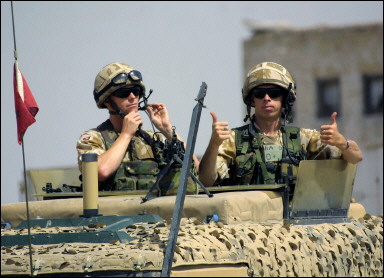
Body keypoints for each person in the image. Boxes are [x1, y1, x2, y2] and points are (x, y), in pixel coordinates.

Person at [198, 61, 363, 189]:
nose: (267, 98)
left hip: (292, 225)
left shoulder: (303, 138)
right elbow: (206, 180)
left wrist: (342, 143)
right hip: (248, 225)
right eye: (260, 93)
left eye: (274, 93)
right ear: (252, 100)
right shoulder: (233, 140)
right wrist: (213, 145)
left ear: (285, 99)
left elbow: (356, 157)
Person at [76, 62, 197, 194]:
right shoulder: (93, 138)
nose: (132, 97)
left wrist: (167, 130)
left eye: (136, 91)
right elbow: (100, 171)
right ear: (106, 100)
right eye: (124, 93)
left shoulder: (152, 139)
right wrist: (126, 134)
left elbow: (195, 169)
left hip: (154, 212)